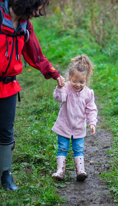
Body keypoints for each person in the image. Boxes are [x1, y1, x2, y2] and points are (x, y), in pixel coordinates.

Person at [0, 0, 65, 199]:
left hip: (8, 86)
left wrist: (53, 73)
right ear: (27, 3)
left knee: (6, 131)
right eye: (37, 7)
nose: (38, 12)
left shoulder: (25, 26)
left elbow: (36, 56)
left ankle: (6, 176)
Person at [51, 54, 98, 182]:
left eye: (82, 82)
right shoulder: (65, 88)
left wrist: (92, 122)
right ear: (69, 78)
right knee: (62, 147)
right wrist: (60, 88)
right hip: (64, 126)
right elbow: (58, 98)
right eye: (74, 81)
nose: (78, 85)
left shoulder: (88, 93)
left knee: (79, 149)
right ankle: (60, 171)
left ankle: (80, 171)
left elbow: (91, 109)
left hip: (79, 128)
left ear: (86, 80)